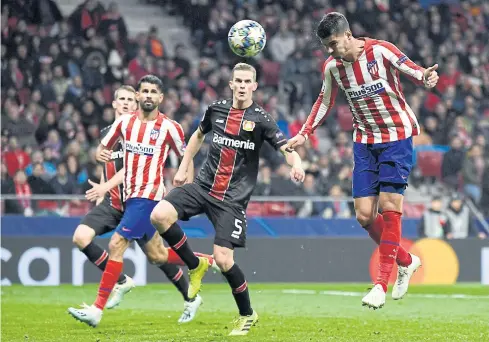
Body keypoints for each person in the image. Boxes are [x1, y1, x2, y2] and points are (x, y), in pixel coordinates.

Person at [287, 12, 440, 309]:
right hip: (365, 142)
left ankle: (381, 284)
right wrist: (305, 133)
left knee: (390, 205)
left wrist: (426, 76)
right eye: (326, 46)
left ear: (347, 35)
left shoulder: (380, 50)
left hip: (396, 136)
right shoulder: (332, 67)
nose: (331, 51)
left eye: (333, 43)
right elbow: (324, 101)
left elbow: (412, 69)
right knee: (365, 216)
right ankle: (406, 261)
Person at [150, 63, 305, 336]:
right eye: (238, 81)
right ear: (231, 84)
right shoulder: (216, 109)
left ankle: (247, 314)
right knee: (159, 215)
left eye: (248, 81)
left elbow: (285, 148)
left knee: (223, 260)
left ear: (255, 86)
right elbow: (198, 135)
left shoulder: (262, 119)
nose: (243, 85)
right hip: (203, 186)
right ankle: (195, 264)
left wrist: (297, 163)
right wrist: (185, 166)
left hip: (232, 200)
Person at [68, 76, 210, 327]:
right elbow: (102, 149)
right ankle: (204, 262)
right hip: (124, 198)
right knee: (157, 256)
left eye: (153, 92)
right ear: (138, 96)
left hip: (148, 197)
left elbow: (187, 153)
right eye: (144, 91)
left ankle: (96, 310)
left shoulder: (169, 127)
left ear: (160, 98)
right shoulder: (124, 123)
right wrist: (100, 154)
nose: (148, 95)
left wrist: (187, 187)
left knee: (116, 243)